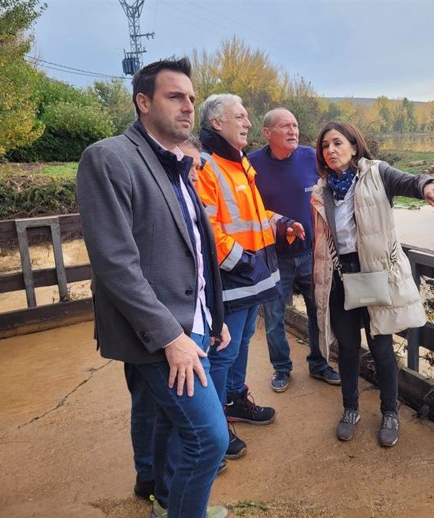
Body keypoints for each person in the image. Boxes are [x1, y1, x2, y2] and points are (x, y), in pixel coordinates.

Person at [76, 57, 230, 518]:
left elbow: (194, 248)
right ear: (143, 102)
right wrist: (171, 338)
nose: (188, 107)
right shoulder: (109, 157)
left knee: (168, 424)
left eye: (192, 98)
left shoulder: (177, 164)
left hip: (194, 323)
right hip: (160, 336)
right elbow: (115, 263)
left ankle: (166, 502)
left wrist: (212, 316)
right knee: (209, 439)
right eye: (175, 96)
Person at [311, 121, 434, 448]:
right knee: (345, 348)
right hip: (340, 279)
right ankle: (350, 409)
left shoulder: (376, 173)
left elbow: (410, 181)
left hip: (374, 275)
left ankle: (389, 412)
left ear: (354, 146)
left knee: (381, 348)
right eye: (325, 146)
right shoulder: (321, 190)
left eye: (337, 143)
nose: (331, 150)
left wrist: (428, 185)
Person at [195, 94, 305, 458]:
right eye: (239, 117)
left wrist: (282, 224)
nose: (246, 123)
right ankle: (216, 426)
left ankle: (235, 399)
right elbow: (206, 228)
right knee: (223, 353)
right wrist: (242, 261)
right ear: (216, 123)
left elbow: (255, 215)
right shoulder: (207, 166)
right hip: (232, 278)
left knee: (241, 345)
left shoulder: (238, 162)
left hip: (251, 275)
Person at [249, 108, 340, 393]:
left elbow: (337, 184)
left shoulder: (310, 157)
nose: (293, 131)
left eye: (295, 125)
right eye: (285, 126)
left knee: (319, 311)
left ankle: (319, 363)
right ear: (267, 133)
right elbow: (248, 208)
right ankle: (282, 369)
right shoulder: (250, 165)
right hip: (273, 257)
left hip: (312, 254)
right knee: (275, 317)